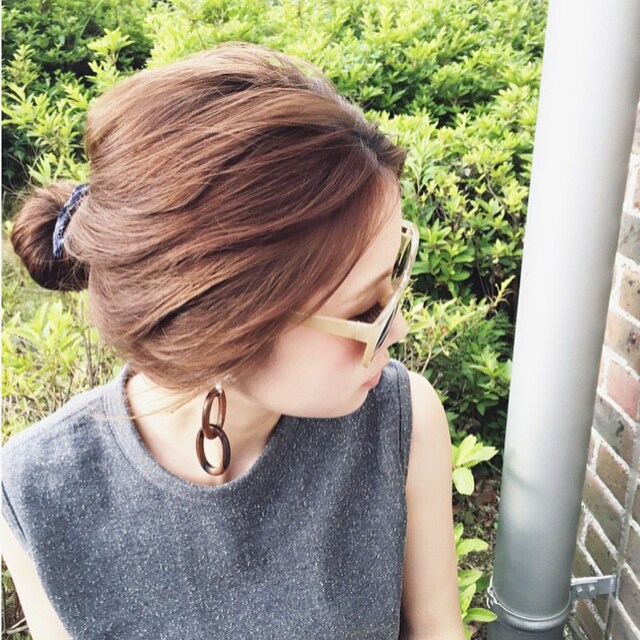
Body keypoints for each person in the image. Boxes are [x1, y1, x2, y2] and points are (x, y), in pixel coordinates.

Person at [1, 41, 465, 639]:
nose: (397, 329)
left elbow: (436, 629)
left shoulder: (401, 421)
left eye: (395, 276)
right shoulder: (38, 490)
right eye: (365, 309)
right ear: (219, 328)